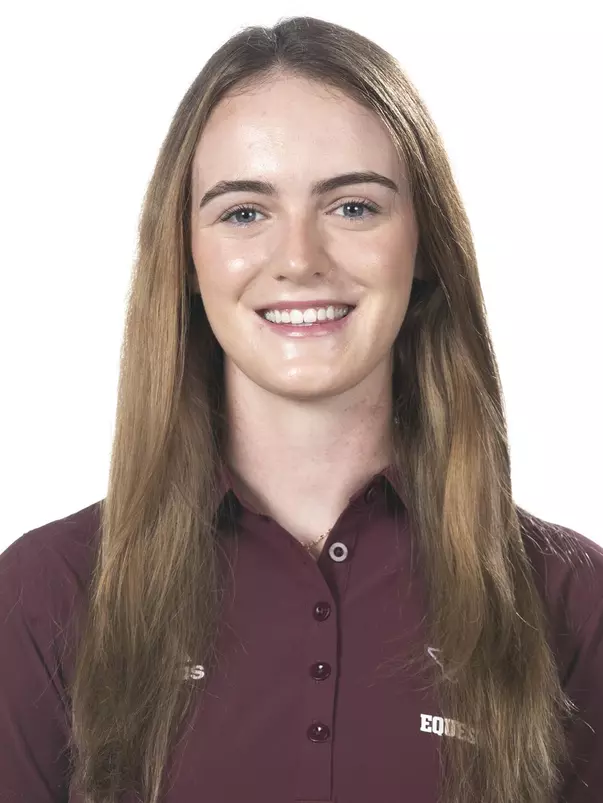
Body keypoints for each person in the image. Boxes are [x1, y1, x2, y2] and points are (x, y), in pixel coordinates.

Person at [0, 14, 601, 803]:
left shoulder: (567, 599)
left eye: (353, 207)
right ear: (184, 255)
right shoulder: (47, 594)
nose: (298, 260)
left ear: (422, 245)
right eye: (244, 212)